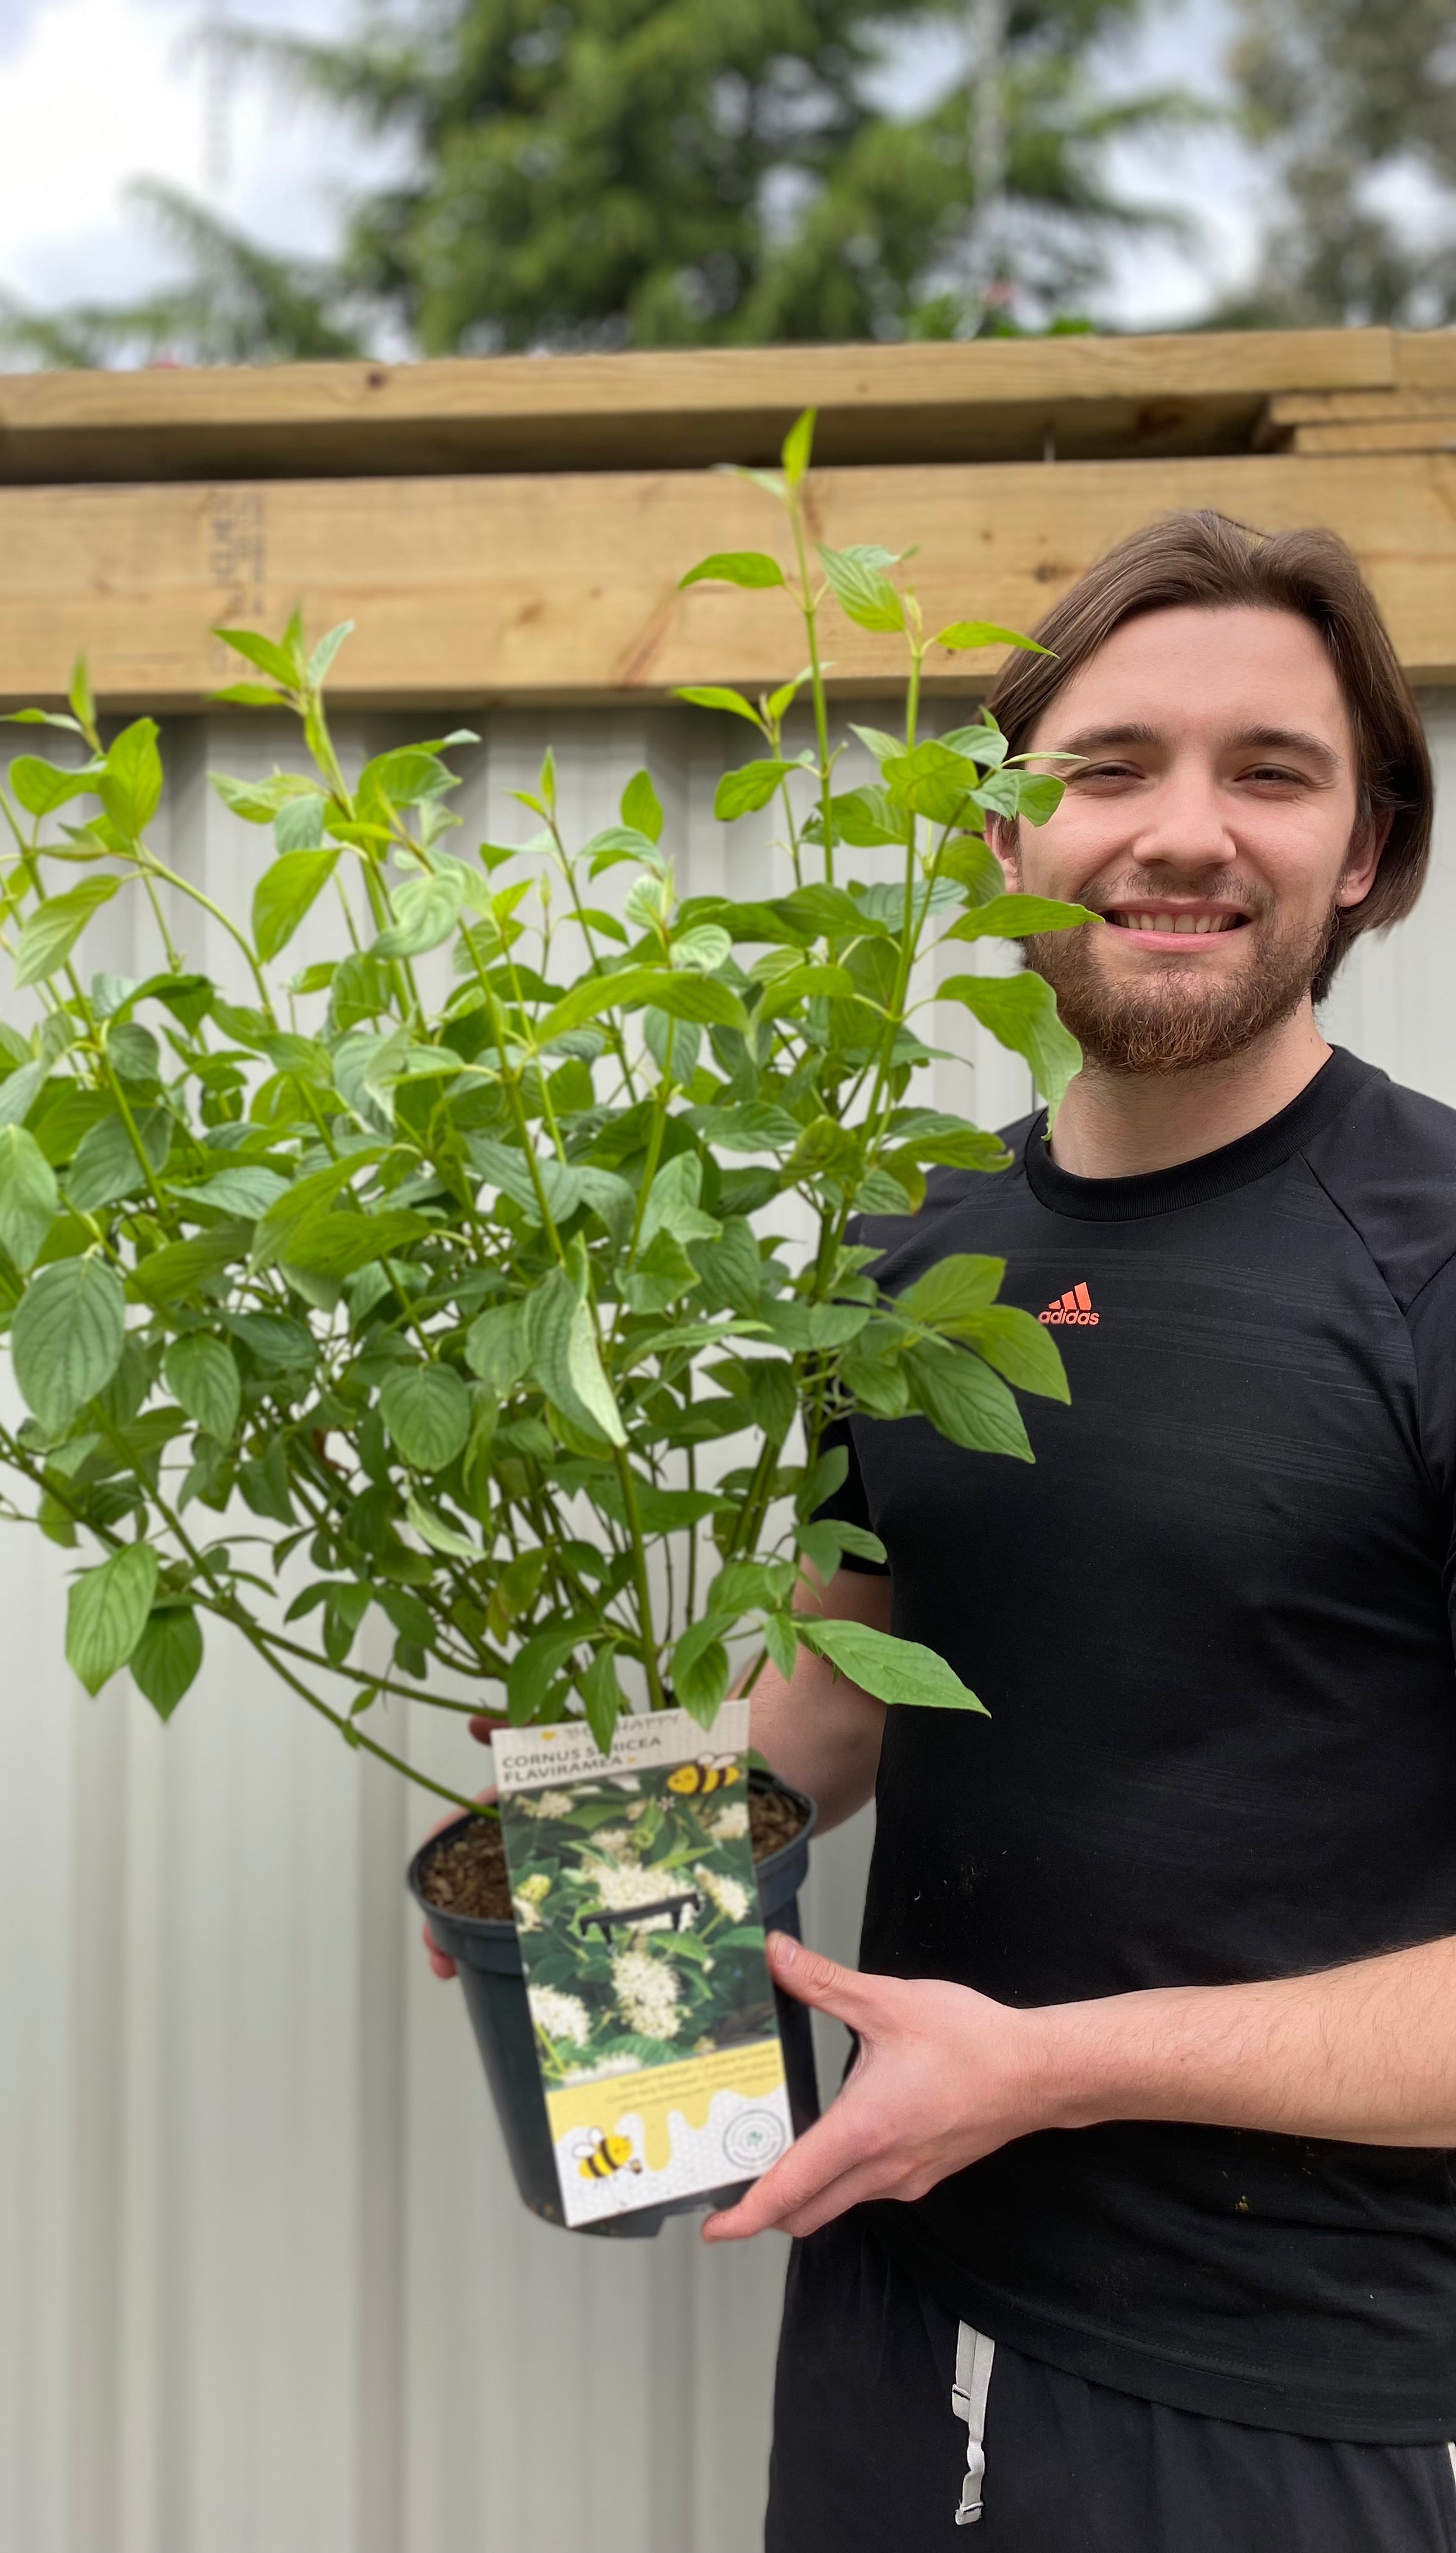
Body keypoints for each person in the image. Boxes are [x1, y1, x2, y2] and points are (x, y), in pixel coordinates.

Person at [703, 509, 1456, 2548]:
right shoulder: (912, 1244)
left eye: (1270, 773)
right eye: (1109, 767)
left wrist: (1043, 2067)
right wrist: (596, 1857)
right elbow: (837, 1699)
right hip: (884, 2295)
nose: (1182, 833)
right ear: (999, 836)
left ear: (1369, 849)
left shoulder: (1436, 1261)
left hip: (1274, 2395)